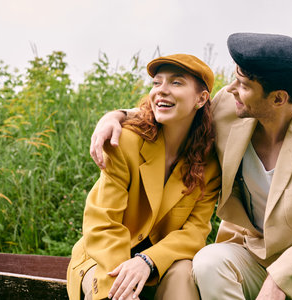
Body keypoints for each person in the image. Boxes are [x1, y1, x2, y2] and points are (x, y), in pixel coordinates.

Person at [90, 33, 292, 300]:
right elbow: (177, 111)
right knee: (208, 261)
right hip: (252, 258)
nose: (230, 89)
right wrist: (116, 116)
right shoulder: (230, 108)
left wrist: (282, 277)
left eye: (243, 85)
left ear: (278, 98)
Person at [67, 54, 221, 300]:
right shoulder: (124, 142)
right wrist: (124, 281)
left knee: (183, 274)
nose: (162, 91)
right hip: (104, 261)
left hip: (159, 266)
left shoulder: (209, 164)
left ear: (201, 99)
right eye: (156, 83)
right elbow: (102, 222)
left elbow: (195, 232)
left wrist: (148, 261)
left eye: (176, 83)